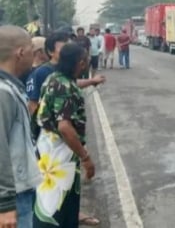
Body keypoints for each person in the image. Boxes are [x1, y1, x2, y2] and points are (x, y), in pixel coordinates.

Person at [25, 33, 103, 226]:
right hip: (58, 154)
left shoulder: (54, 78)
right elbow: (65, 127)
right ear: (78, 63)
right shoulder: (64, 86)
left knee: (61, 202)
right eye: (83, 61)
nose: (84, 65)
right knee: (54, 206)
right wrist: (86, 158)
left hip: (50, 149)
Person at [0, 25, 41, 228]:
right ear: (21, 52)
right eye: (32, 49)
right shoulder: (3, 92)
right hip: (13, 195)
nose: (34, 54)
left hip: (19, 190)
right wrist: (5, 205)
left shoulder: (12, 87)